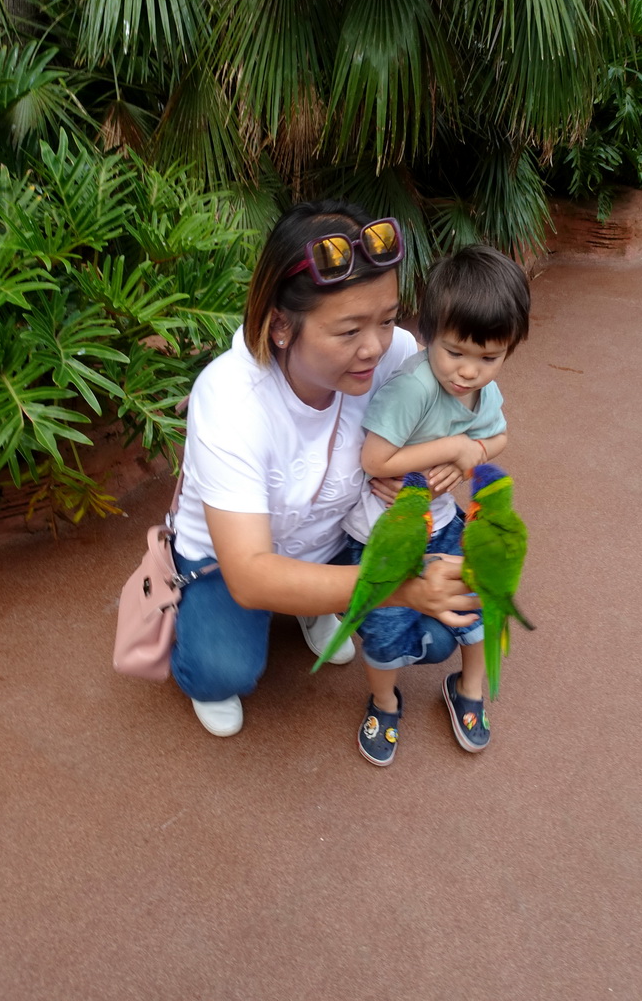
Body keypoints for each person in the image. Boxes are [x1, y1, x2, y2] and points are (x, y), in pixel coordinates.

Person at [170, 200, 481, 737]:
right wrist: (399, 588)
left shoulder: (395, 354)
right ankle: (212, 634)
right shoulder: (229, 398)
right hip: (231, 563)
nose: (376, 347)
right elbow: (250, 574)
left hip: (336, 535)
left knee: (439, 630)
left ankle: (318, 598)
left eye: (387, 319)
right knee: (224, 671)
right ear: (280, 328)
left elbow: (468, 391)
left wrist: (455, 452)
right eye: (348, 331)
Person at [341, 245, 530, 765]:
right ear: (426, 336)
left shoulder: (480, 392)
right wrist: (452, 450)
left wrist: (469, 458)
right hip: (384, 529)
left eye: (489, 358)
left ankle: (468, 689)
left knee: (476, 604)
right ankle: (384, 700)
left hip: (443, 521)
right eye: (456, 353)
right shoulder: (416, 387)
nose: (468, 372)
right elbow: (375, 458)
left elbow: (498, 438)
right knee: (383, 628)